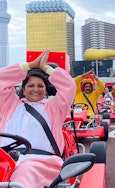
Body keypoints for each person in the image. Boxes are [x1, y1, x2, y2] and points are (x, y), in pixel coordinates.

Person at [0, 50, 76, 188]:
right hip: (5, 160)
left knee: (23, 172)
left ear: (46, 91)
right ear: (23, 89)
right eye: (30, 85)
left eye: (40, 86)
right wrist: (28, 66)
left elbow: (69, 86)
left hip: (41, 162)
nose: (36, 89)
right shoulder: (10, 104)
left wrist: (46, 68)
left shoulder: (54, 108)